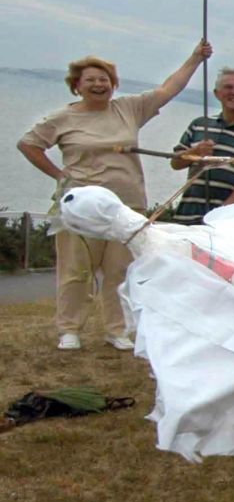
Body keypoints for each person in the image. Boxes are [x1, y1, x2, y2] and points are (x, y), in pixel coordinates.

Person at [17, 41, 211, 351]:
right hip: (81, 208)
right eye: (90, 80)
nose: (98, 84)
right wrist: (58, 174)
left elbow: (167, 89)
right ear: (77, 86)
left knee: (120, 271)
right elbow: (29, 144)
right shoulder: (62, 119)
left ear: (113, 84)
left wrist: (195, 58)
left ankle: (116, 329)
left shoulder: (128, 109)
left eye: (104, 79)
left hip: (126, 205)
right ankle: (69, 329)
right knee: (76, 269)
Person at [167, 67, 234, 223]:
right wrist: (195, 152)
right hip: (188, 215)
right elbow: (175, 163)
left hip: (228, 222)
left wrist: (218, 216)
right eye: (228, 87)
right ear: (217, 94)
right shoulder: (199, 125)